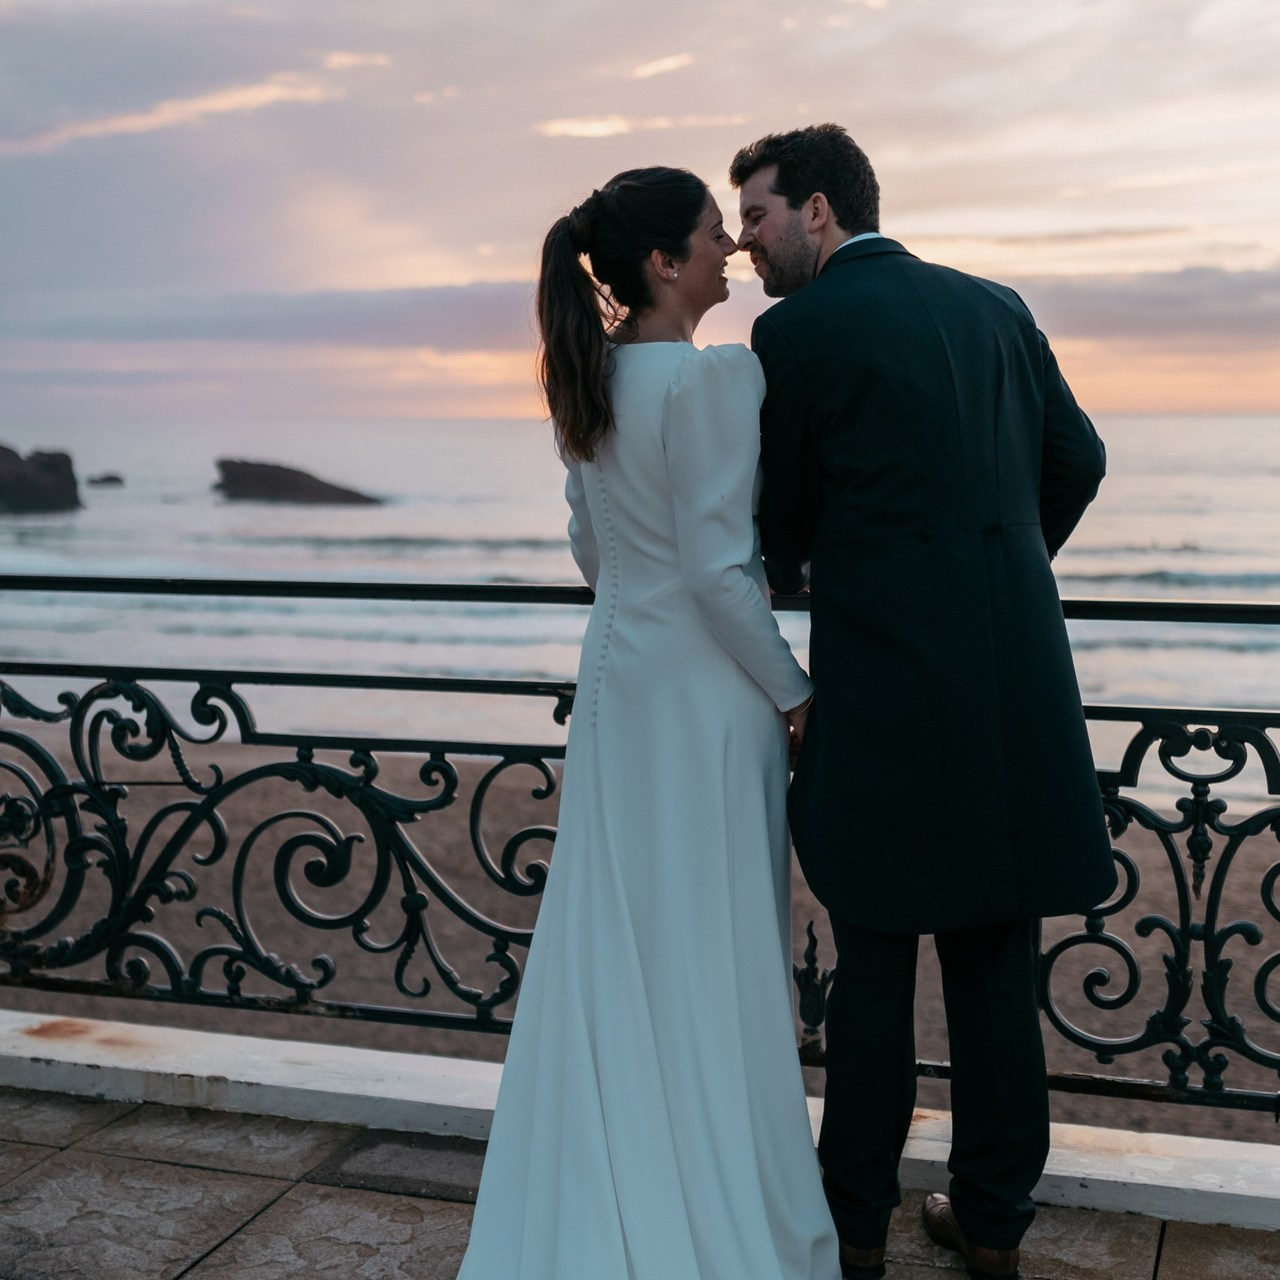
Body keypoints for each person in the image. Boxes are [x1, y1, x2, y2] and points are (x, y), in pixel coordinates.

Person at [728, 125, 1118, 1280]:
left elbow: (778, 514)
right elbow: (1077, 460)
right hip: (1009, 687)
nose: (744, 241)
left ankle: (854, 1232)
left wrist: (832, 574)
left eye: (753, 214)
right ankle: (990, 1227)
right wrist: (994, 576)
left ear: (815, 209)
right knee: (996, 966)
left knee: (875, 970)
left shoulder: (794, 331)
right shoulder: (994, 305)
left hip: (881, 687)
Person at [455, 166, 841, 1280]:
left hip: (621, 684)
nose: (731, 247)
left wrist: (644, 598)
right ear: (664, 265)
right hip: (709, 699)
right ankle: (715, 1200)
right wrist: (796, 692)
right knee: (712, 944)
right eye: (714, 234)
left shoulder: (593, 377)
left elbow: (593, 549)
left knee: (621, 938)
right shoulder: (715, 382)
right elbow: (725, 576)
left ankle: (616, 1178)